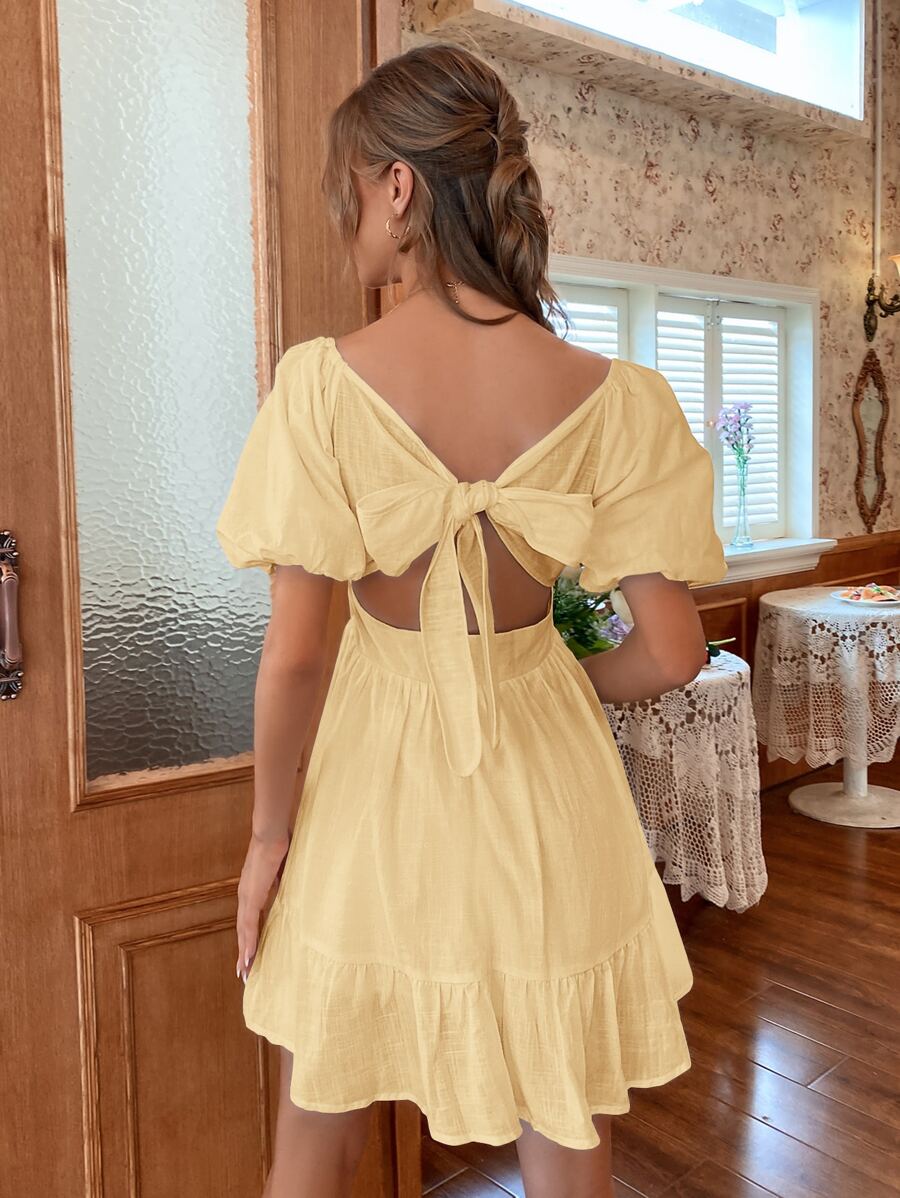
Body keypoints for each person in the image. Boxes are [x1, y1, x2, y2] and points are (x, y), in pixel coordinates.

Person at [215, 40, 728, 1198]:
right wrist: (554, 677)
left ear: (398, 186)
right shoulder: (619, 400)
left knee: (318, 1123)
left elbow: (296, 659)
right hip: (549, 783)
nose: (341, 213)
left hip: (371, 787)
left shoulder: (321, 385)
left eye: (348, 184)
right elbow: (674, 651)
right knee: (563, 1111)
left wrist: (267, 839)